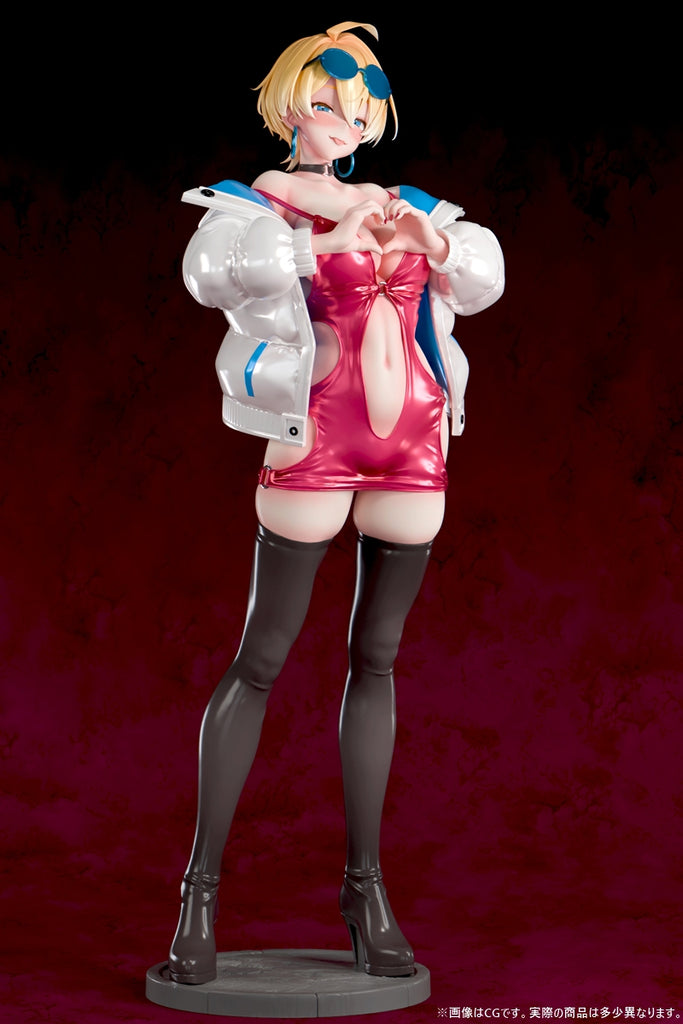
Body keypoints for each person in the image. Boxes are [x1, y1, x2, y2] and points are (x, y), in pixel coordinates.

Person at [169, 20, 504, 985]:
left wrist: (435, 242)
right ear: (288, 109)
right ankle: (198, 892)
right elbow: (213, 277)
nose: (342, 125)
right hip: (313, 435)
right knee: (262, 658)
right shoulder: (255, 203)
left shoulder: (406, 202)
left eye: (357, 111)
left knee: (378, 659)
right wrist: (324, 247)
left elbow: (482, 279)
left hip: (413, 442)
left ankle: (365, 889)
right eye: (324, 106)